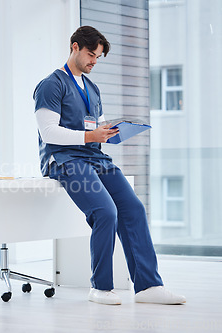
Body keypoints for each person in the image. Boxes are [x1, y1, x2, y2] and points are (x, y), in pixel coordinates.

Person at [33, 25, 186, 305]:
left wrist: (111, 132)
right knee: (105, 212)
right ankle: (100, 287)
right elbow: (49, 132)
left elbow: (95, 125)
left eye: (98, 57)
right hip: (64, 159)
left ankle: (148, 286)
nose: (94, 61)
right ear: (74, 47)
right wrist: (91, 135)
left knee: (134, 208)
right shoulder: (51, 85)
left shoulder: (92, 87)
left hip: (94, 156)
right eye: (91, 54)